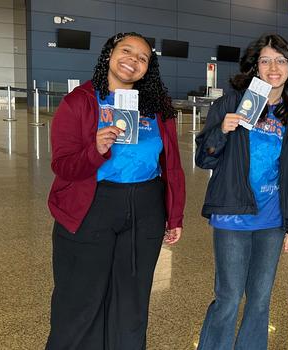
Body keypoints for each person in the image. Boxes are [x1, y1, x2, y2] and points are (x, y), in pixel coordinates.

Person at [46, 32, 185, 349]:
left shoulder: (157, 109)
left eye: (143, 58)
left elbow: (172, 164)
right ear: (109, 55)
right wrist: (94, 148)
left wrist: (174, 215)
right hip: (92, 205)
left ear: (148, 68)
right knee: (81, 300)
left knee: (132, 302)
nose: (133, 60)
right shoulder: (80, 102)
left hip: (146, 208)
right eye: (127, 51)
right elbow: (63, 165)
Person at [193, 33, 288, 350]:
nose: (274, 67)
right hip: (232, 215)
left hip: (271, 220)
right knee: (228, 298)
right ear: (255, 66)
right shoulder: (231, 102)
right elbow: (204, 157)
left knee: (260, 300)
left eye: (280, 61)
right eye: (266, 60)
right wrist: (222, 129)